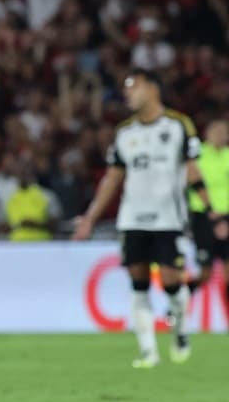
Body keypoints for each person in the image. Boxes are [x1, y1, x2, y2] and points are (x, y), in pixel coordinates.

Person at [74, 69, 224, 366]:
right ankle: (148, 352)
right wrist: (91, 217)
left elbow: (192, 170)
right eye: (126, 88)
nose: (128, 93)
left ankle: (181, 330)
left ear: (152, 89)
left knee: (171, 282)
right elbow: (112, 179)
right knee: (138, 282)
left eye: (134, 86)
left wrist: (210, 210)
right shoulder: (125, 133)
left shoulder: (178, 125)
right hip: (132, 219)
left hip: (168, 218)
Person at [187, 119, 229, 308]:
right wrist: (212, 214)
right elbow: (192, 183)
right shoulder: (198, 155)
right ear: (207, 134)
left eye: (224, 131)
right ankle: (178, 302)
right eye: (217, 130)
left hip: (227, 216)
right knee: (206, 273)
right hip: (203, 217)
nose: (221, 134)